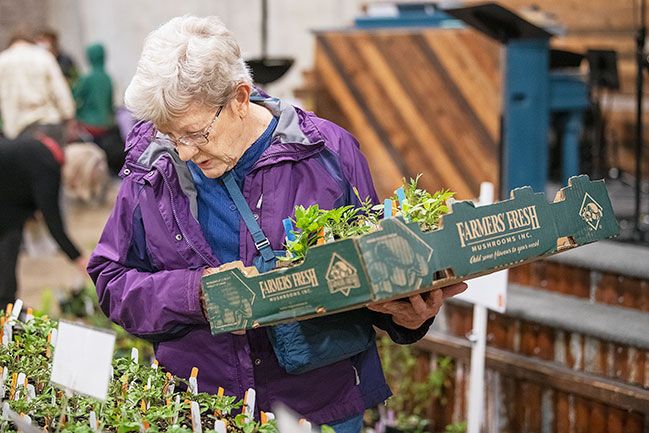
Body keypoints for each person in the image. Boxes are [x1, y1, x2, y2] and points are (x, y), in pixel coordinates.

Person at [87, 16, 467, 433]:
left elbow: (373, 267)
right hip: (203, 408)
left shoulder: (326, 152)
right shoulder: (152, 169)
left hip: (318, 407)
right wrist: (194, 294)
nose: (185, 151)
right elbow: (111, 279)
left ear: (239, 97)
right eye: (171, 135)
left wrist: (406, 317)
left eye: (196, 133)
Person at [0, 135, 87, 307]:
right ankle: (6, 307)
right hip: (7, 216)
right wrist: (80, 259)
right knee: (7, 254)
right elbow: (54, 224)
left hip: (7, 211)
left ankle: (8, 306)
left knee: (8, 254)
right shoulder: (47, 167)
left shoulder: (43, 148)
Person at [0, 31, 75, 144]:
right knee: (53, 161)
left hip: (17, 130)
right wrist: (69, 117)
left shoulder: (2, 61)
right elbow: (60, 91)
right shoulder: (43, 56)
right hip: (48, 123)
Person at [73, 43, 124, 175]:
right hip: (108, 126)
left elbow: (75, 97)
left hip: (89, 127)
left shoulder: (87, 79)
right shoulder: (108, 78)